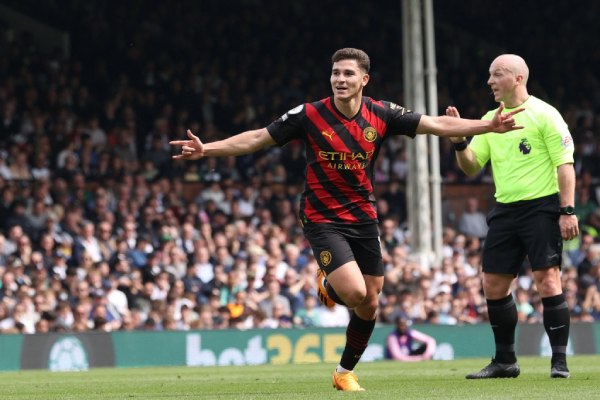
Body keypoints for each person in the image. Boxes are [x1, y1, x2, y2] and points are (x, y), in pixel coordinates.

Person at [170, 48, 523, 391]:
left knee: (371, 300)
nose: (340, 79)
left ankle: (344, 373)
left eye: (348, 73)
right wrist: (207, 149)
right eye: (335, 73)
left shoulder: (382, 114)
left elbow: (436, 123)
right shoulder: (309, 114)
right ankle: (330, 283)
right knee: (354, 292)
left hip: (363, 216)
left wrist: (487, 126)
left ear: (364, 79)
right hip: (321, 216)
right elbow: (258, 138)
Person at [446, 54, 579, 379]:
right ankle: (505, 361)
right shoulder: (491, 120)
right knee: (492, 284)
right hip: (505, 209)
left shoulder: (545, 114)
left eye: (497, 74)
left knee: (547, 280)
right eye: (490, 75)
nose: (490, 81)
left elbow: (565, 165)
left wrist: (567, 210)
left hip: (542, 207)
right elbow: (472, 166)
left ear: (518, 78)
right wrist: (460, 142)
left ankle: (559, 362)